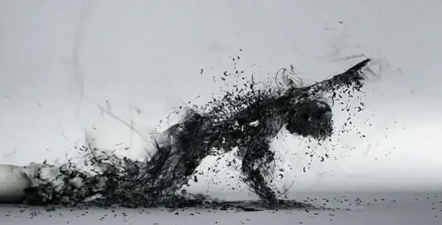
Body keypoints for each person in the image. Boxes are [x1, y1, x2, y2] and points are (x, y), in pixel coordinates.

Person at [142, 58, 371, 203]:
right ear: (306, 118)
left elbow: (314, 90)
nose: (301, 135)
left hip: (200, 131)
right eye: (307, 131)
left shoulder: (284, 105)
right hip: (199, 139)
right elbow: (248, 166)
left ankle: (135, 188)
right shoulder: (274, 118)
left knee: (154, 181)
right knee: (157, 190)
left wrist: (344, 78)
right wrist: (269, 197)